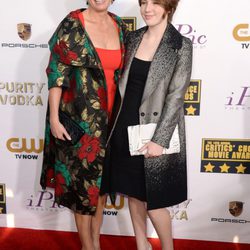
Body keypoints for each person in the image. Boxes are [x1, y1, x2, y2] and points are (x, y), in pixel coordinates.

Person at [101, 0, 193, 249]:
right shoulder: (132, 38)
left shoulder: (180, 45)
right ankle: (142, 244)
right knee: (133, 193)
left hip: (155, 131)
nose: (147, 8)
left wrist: (159, 140)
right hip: (124, 129)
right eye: (144, 3)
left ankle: (167, 247)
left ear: (169, 7)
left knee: (155, 200)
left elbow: (176, 96)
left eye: (155, 3)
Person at [40, 0, 127, 249]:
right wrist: (55, 119)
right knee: (82, 189)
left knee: (100, 188)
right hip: (79, 122)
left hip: (111, 123)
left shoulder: (119, 25)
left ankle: (96, 242)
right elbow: (56, 73)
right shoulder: (72, 24)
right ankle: (87, 247)